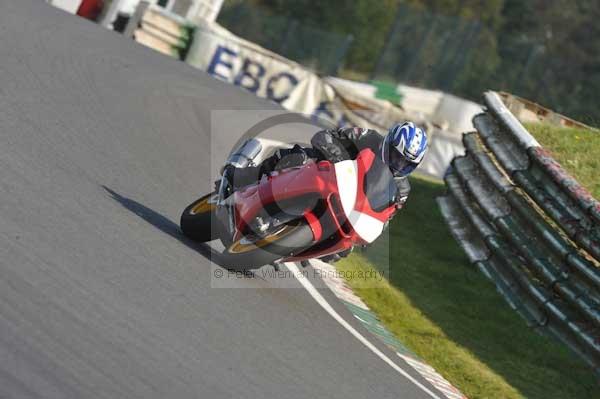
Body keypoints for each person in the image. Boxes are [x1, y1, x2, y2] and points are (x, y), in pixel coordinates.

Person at [224, 121, 428, 210]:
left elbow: (385, 218)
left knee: (345, 248)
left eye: (406, 164)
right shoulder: (367, 137)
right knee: (297, 155)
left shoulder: (402, 190)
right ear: (388, 142)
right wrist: (337, 156)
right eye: (396, 156)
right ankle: (245, 176)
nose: (398, 164)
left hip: (346, 205)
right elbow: (325, 136)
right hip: (326, 173)